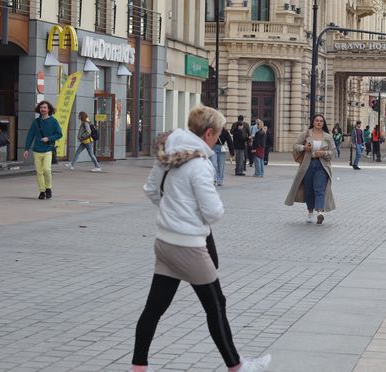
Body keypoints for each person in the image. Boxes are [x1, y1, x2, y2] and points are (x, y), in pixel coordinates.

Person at [131, 105, 271, 372]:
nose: (218, 138)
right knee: (216, 305)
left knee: (154, 308)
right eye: (217, 134)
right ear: (208, 133)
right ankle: (237, 366)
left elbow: (151, 190)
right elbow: (212, 211)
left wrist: (172, 211)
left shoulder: (167, 154)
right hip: (190, 246)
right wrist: (189, 216)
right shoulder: (200, 165)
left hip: (165, 242)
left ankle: (138, 367)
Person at [285, 114, 336, 224]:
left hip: (321, 166)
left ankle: (320, 212)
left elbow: (333, 153)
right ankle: (310, 212)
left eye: (321, 121)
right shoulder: (306, 134)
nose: (319, 122)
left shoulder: (328, 137)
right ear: (313, 122)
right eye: (317, 120)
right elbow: (295, 146)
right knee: (308, 190)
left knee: (319, 189)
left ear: (323, 123)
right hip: (307, 165)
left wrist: (324, 153)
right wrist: (304, 147)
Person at [23, 101, 63, 200]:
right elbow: (30, 135)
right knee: (39, 172)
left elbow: (59, 134)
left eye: (45, 107)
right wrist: (26, 149)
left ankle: (48, 188)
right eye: (41, 108)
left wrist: (48, 138)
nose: (43, 109)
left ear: (49, 109)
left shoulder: (53, 121)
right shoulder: (36, 122)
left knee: (46, 169)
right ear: (39, 109)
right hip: (36, 150)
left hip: (48, 149)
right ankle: (42, 191)